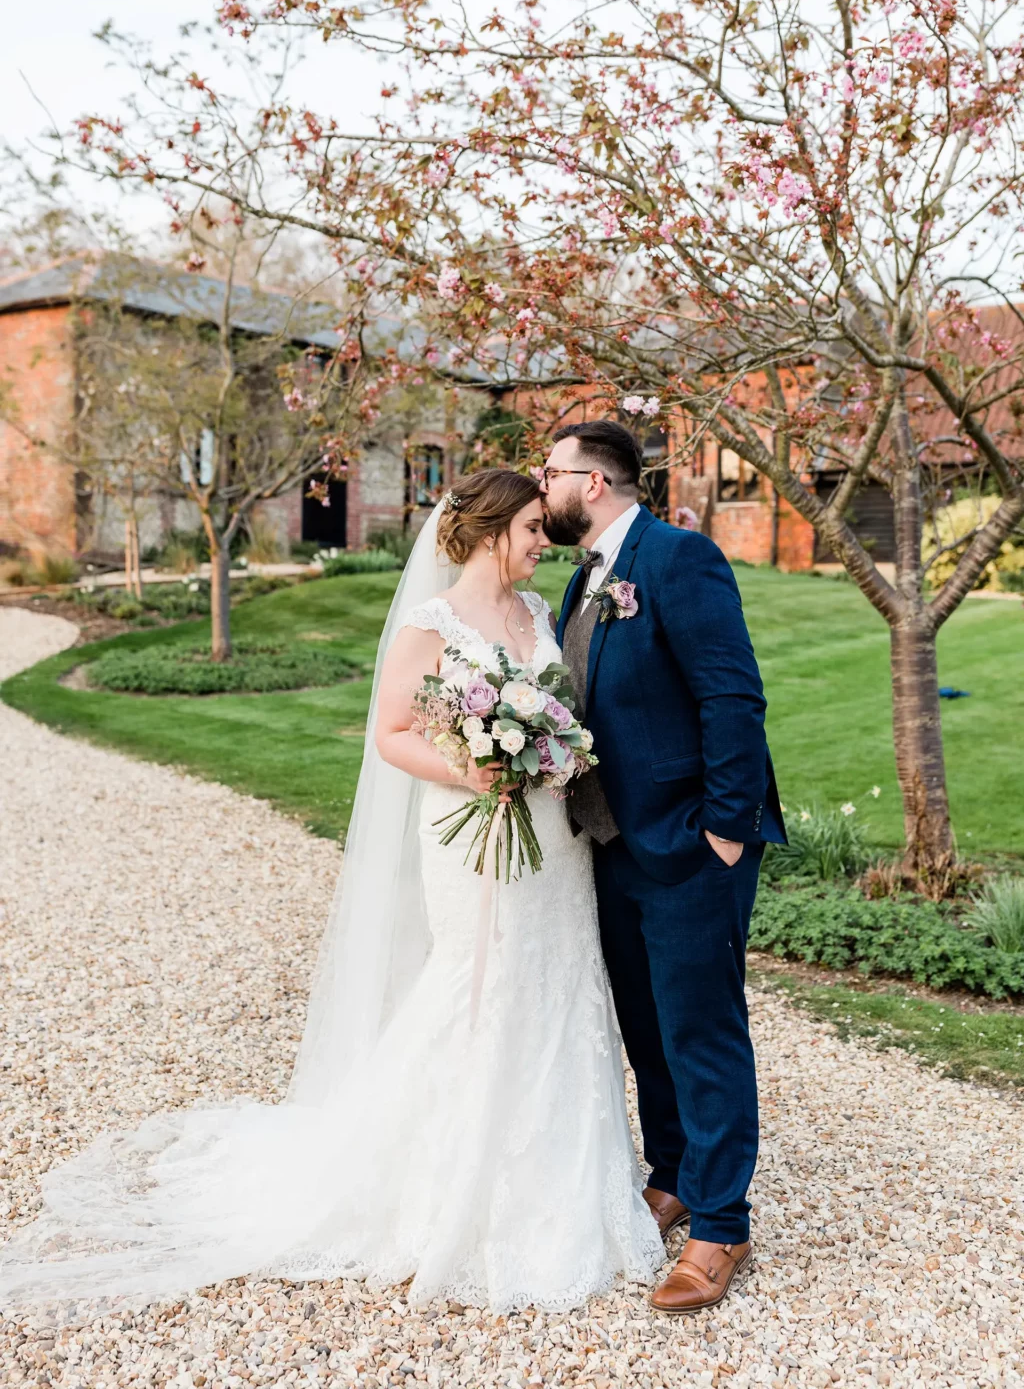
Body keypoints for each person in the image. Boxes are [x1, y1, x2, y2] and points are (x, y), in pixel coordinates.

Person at [0, 468, 662, 1318]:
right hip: (472, 834)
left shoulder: (539, 615)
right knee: (478, 988)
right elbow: (390, 734)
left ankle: (562, 1182)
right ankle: (451, 1187)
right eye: (533, 528)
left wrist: (555, 752)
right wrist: (479, 765)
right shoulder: (433, 624)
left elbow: (568, 716)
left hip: (549, 847)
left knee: (556, 981)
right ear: (493, 529)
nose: (545, 541)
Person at [540, 420, 787, 1315]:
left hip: (689, 846)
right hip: (610, 846)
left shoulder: (680, 558)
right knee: (647, 1029)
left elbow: (733, 695)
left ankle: (722, 1223)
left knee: (701, 1030)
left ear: (595, 482)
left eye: (551, 470)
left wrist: (724, 829)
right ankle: (675, 1172)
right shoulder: (582, 580)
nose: (543, 484)